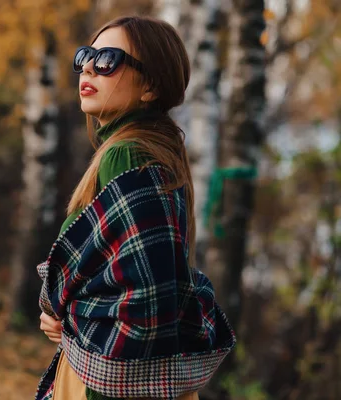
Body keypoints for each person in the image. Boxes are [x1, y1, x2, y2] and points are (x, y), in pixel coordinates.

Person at [36, 15, 236, 400]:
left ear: (150, 86)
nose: (90, 67)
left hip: (109, 386)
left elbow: (144, 305)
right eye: (85, 57)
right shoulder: (155, 152)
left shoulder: (127, 155)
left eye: (108, 59)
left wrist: (72, 318)